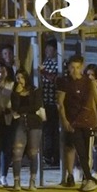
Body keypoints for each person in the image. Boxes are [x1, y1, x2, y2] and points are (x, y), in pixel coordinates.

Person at [57, 54, 97, 191]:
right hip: (73, 122)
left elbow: (96, 102)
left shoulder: (87, 82)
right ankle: (88, 177)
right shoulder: (64, 82)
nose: (75, 70)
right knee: (79, 150)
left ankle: (88, 177)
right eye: (72, 67)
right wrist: (65, 120)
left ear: (82, 67)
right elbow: (60, 103)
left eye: (77, 67)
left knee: (86, 152)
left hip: (86, 120)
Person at [8, 69, 42, 191]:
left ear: (26, 78)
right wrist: (17, 94)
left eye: (21, 78)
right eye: (17, 78)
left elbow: (37, 106)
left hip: (34, 123)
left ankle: (32, 182)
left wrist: (23, 109)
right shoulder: (14, 93)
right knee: (17, 151)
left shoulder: (35, 90)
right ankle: (17, 181)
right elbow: (15, 107)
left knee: (33, 152)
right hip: (19, 123)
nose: (20, 81)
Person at [38, 38, 61, 167]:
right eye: (46, 48)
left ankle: (55, 156)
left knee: (55, 131)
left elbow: (57, 80)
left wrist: (44, 73)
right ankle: (47, 156)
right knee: (46, 130)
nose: (47, 51)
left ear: (56, 50)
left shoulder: (59, 64)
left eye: (49, 48)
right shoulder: (45, 62)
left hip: (54, 102)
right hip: (44, 102)